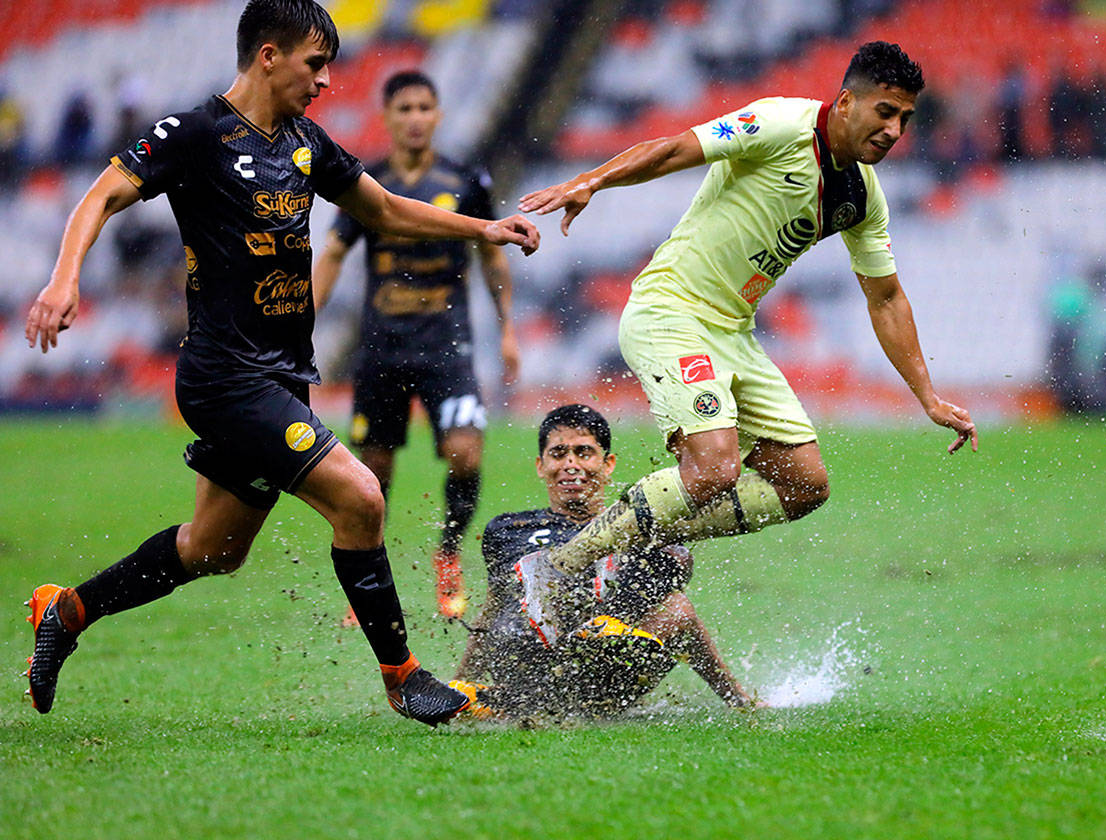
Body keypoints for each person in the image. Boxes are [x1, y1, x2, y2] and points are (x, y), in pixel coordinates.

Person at [22, 0, 539, 727]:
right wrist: (63, 277)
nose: (326, 79)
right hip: (224, 379)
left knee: (213, 548)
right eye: (314, 63)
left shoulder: (305, 141)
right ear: (269, 54)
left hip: (280, 376)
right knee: (361, 498)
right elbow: (103, 192)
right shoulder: (196, 133)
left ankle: (67, 609)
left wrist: (483, 225)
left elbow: (385, 209)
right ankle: (405, 677)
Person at [513, 41, 976, 645]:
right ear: (846, 102)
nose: (894, 131)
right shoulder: (781, 123)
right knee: (714, 467)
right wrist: (593, 181)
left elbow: (885, 297)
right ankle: (558, 569)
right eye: (885, 112)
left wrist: (928, 397)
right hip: (671, 311)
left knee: (805, 483)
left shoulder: (860, 197)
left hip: (733, 332)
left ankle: (636, 526)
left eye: (905, 120)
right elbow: (679, 147)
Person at [313, 70, 517, 621]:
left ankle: (448, 552)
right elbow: (333, 252)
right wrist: (302, 319)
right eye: (404, 108)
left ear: (439, 115)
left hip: (448, 348)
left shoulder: (465, 180)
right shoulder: (366, 183)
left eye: (425, 107)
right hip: (381, 351)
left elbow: (492, 255)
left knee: (465, 454)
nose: (416, 118)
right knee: (371, 474)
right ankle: (368, 577)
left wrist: (507, 329)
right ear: (387, 117)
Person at [449, 404, 756, 719]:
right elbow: (493, 610)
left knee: (676, 607)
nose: (571, 464)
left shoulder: (639, 529)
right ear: (541, 466)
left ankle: (539, 704)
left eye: (584, 452)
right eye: (559, 454)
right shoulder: (509, 530)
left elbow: (685, 622)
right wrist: (460, 681)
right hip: (530, 669)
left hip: (601, 677)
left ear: (608, 464)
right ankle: (503, 700)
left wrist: (739, 700)